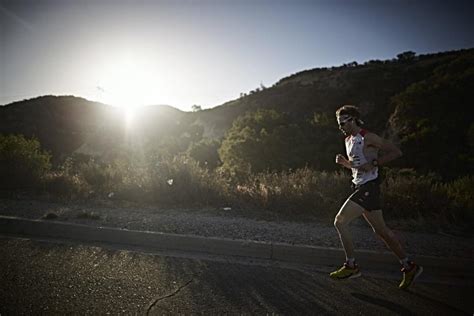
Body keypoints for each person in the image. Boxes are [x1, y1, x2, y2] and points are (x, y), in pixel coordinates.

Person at [329, 105, 423, 290]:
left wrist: (375, 162)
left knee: (340, 222)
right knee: (382, 232)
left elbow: (396, 151)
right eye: (338, 124)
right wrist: (345, 164)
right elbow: (358, 166)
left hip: (369, 188)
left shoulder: (368, 137)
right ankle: (409, 266)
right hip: (360, 186)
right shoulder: (348, 140)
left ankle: (351, 266)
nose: (341, 127)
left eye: (343, 123)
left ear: (353, 119)